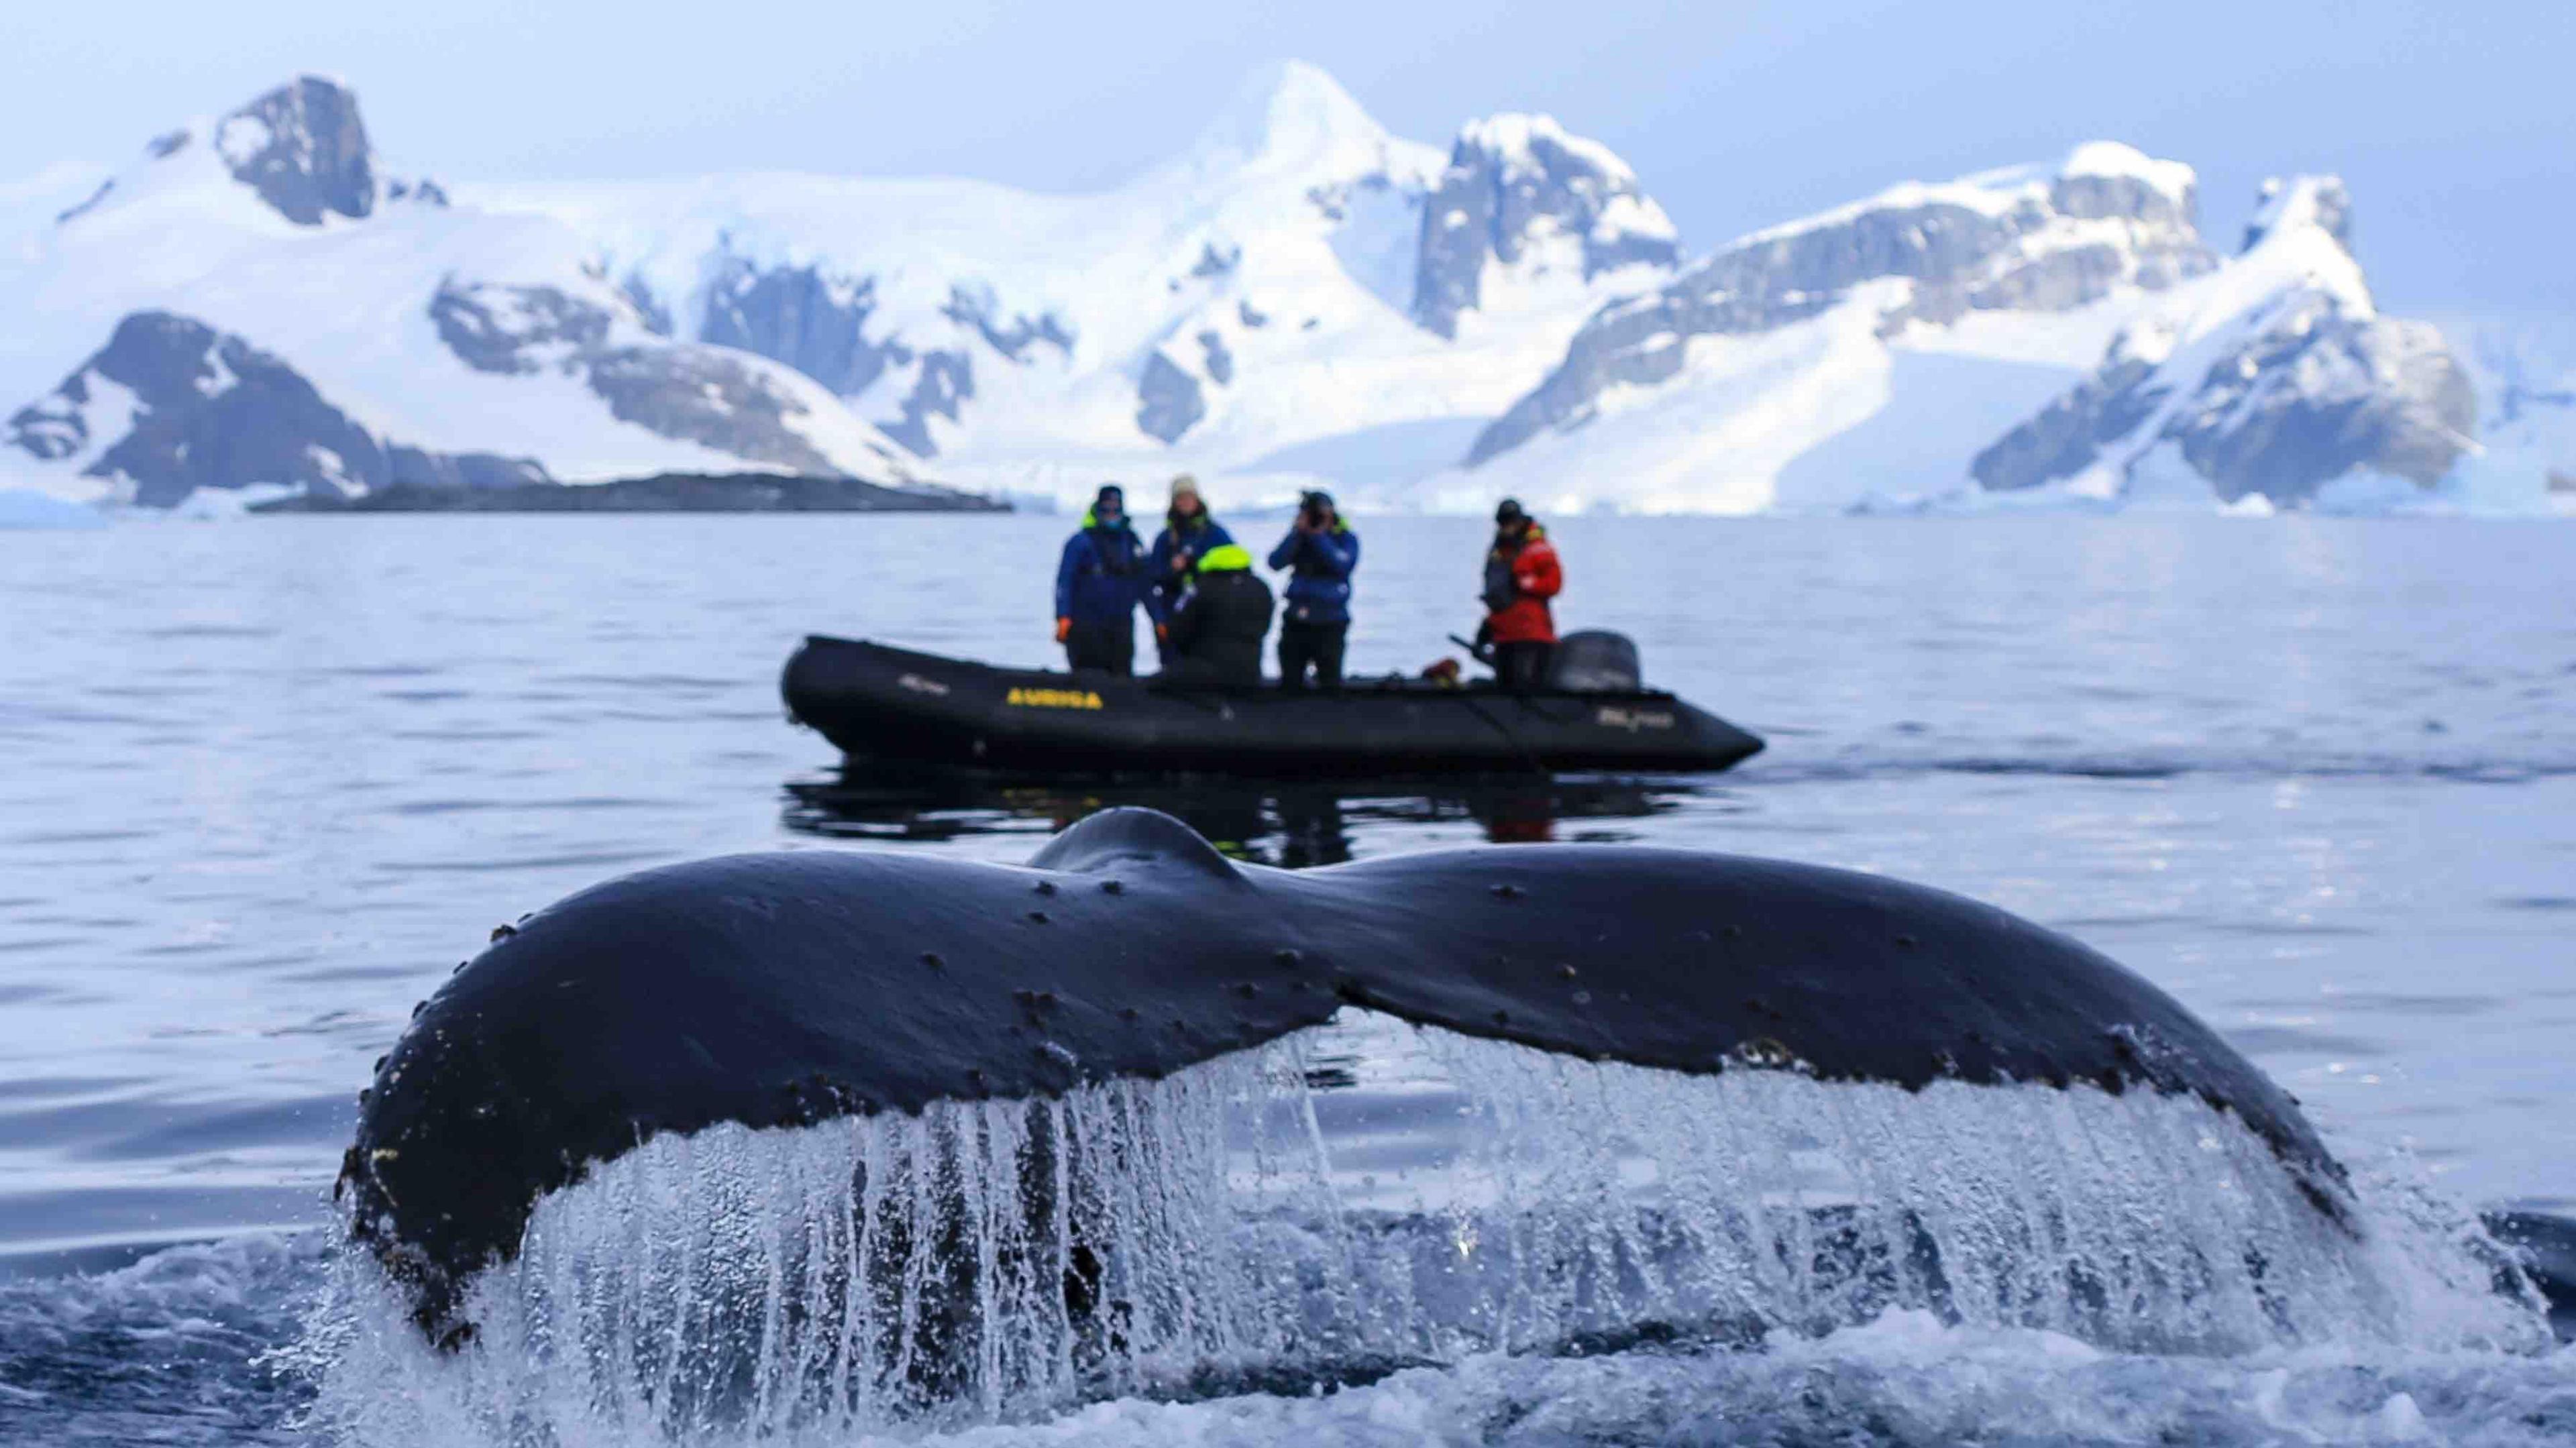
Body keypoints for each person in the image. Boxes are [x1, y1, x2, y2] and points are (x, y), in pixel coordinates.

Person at [1267, 489, 1359, 689]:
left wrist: (1319, 536)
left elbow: (1342, 565)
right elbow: (1275, 563)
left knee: (1330, 682)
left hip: (1331, 621)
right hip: (1296, 619)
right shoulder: (1299, 536)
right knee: (1290, 682)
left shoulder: (1345, 538)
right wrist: (1297, 534)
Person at [1053, 484, 1146, 675]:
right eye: (1107, 506)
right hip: (1086, 625)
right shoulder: (1080, 542)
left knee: (1122, 679)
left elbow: (1144, 582)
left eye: (1116, 506)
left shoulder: (1131, 542)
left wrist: (1159, 620)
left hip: (1121, 626)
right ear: (1098, 507)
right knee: (1088, 677)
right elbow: (1065, 581)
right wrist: (1063, 616)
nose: (1112, 511)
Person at [1144, 474, 1235, 664]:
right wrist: (1172, 569)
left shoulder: (1216, 534)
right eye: (1180, 498)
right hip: (1174, 615)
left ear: (1197, 499)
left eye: (1189, 497)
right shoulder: (1165, 538)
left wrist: (1199, 566)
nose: (1185, 502)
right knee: (1173, 667)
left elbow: (1235, 570)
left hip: (1208, 615)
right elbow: (1151, 578)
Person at [1479, 498, 1562, 692]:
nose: (1507, 527)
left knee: (1529, 694)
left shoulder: (1539, 548)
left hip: (1532, 636)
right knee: (1504, 694)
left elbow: (1554, 584)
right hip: (1504, 635)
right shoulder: (1498, 551)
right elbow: (1495, 592)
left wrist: (1528, 583)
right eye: (1503, 522)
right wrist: (1487, 627)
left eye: (1511, 522)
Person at [1161, 543, 1272, 685]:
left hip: (1205, 669)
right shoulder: (1261, 587)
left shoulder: (1202, 588)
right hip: (1250, 671)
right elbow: (1264, 627)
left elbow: (1177, 630)